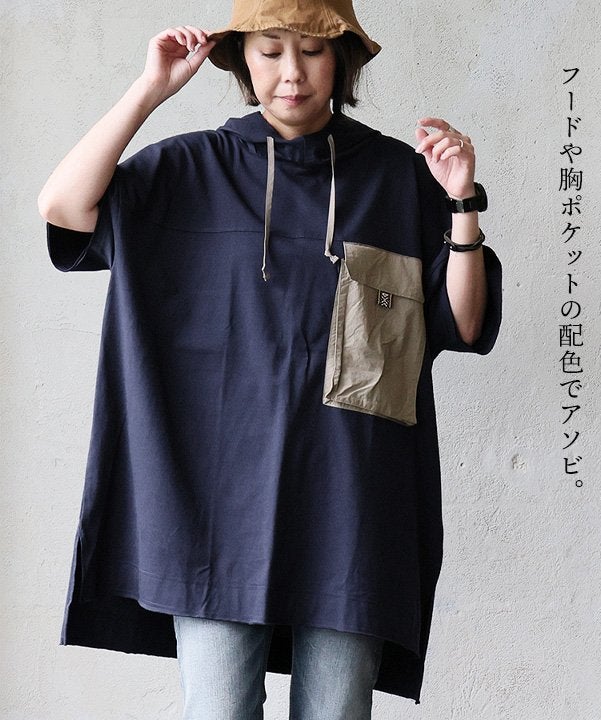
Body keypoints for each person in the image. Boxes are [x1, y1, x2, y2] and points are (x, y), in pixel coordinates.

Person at [38, 0, 502, 717]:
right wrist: (150, 90)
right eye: (271, 50)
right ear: (241, 60)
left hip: (352, 502)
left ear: (341, 61)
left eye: (312, 52)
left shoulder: (396, 175)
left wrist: (463, 202)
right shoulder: (189, 168)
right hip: (212, 509)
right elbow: (64, 208)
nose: (292, 73)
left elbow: (464, 323)